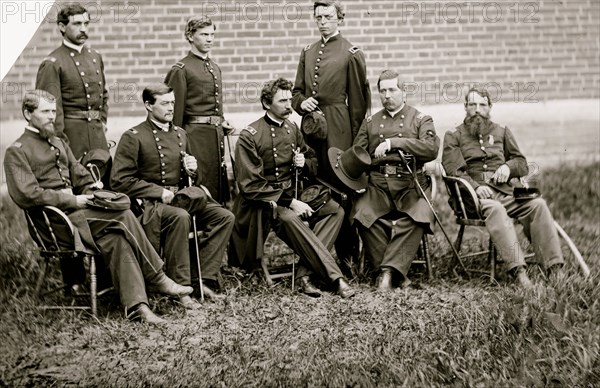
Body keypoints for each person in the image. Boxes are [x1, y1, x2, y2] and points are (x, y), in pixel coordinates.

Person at [4, 91, 193, 324]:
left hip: (79, 216)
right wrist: (75, 200)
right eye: (45, 112)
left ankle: (138, 307)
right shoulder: (17, 151)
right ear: (27, 113)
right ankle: (157, 276)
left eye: (54, 111)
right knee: (122, 215)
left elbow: (77, 171)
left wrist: (91, 187)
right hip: (54, 224)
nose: (52, 117)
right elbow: (28, 195)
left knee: (118, 236)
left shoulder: (58, 141)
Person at [110, 84, 235, 307]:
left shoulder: (180, 133)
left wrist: (192, 170)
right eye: (165, 103)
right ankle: (181, 288)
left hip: (183, 198)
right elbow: (119, 181)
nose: (171, 108)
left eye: (172, 103)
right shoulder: (134, 136)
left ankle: (202, 278)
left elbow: (194, 180)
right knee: (180, 217)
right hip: (152, 205)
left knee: (224, 217)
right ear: (148, 105)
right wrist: (159, 192)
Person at [229, 78, 355, 298]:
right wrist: (291, 202)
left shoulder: (292, 128)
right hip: (263, 203)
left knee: (336, 210)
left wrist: (303, 163)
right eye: (283, 101)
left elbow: (312, 161)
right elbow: (250, 185)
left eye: (290, 99)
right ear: (267, 104)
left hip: (294, 193)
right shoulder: (250, 135)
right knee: (289, 218)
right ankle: (336, 279)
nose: (289, 105)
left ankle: (304, 274)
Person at [442, 86, 565, 287]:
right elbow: (453, 170)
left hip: (506, 194)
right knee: (496, 208)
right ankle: (519, 272)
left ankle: (554, 268)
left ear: (490, 107)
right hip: (473, 199)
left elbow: (522, 163)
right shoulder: (454, 135)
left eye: (482, 105)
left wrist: (508, 167)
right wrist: (474, 187)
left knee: (538, 205)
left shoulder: (502, 131)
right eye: (472, 104)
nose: (477, 109)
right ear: (465, 107)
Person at [291, 0, 371, 269]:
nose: (322, 21)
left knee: (342, 193)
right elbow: (296, 93)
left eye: (328, 16)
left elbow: (360, 107)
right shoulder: (308, 51)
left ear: (340, 19)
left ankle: (347, 258)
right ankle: (316, 252)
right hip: (312, 132)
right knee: (315, 186)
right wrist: (301, 104)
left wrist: (358, 146)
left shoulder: (351, 53)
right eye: (318, 17)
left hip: (340, 130)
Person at [345, 70, 440, 292]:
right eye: (383, 91)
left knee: (421, 213)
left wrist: (394, 143)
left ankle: (386, 273)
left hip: (410, 186)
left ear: (404, 92)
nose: (387, 95)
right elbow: (358, 154)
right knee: (363, 212)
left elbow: (430, 149)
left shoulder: (420, 119)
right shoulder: (370, 122)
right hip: (378, 185)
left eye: (392, 90)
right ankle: (397, 275)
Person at [164, 15, 235, 204]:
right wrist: (177, 145)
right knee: (200, 184)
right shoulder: (181, 69)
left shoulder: (214, 67)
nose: (210, 39)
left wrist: (221, 121)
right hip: (194, 138)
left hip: (215, 137)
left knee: (218, 183)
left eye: (212, 34)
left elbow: (214, 105)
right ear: (190, 36)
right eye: (204, 34)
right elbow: (173, 114)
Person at [35, 4, 109, 162]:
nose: (83, 29)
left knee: (103, 183)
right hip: (71, 139)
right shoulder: (53, 63)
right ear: (62, 26)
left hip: (98, 137)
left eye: (86, 24)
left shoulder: (95, 57)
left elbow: (104, 95)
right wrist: (61, 144)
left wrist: (102, 122)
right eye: (77, 24)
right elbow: (49, 110)